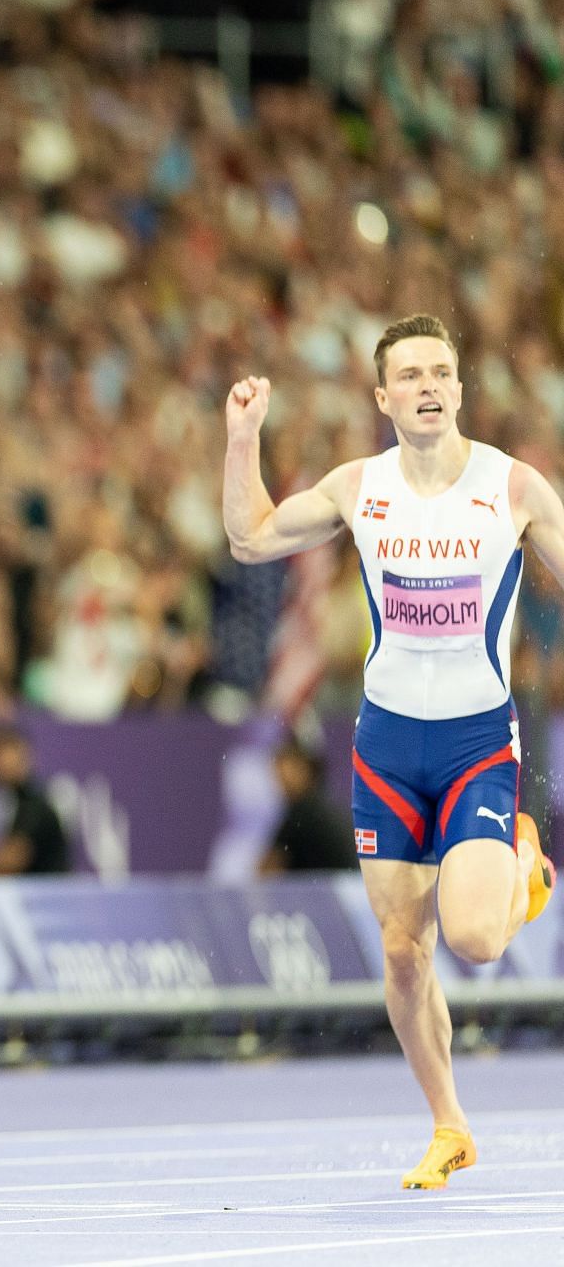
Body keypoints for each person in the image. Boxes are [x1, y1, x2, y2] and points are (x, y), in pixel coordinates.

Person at [222, 313, 557, 1190]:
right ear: (383, 397)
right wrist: (243, 438)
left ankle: (524, 859)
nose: (429, 386)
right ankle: (449, 1123)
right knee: (404, 949)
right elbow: (250, 537)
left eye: (441, 372)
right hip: (384, 748)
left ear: (459, 386)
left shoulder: (512, 487)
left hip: (478, 744)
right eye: (410, 375)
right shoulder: (358, 486)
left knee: (478, 938)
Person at [0, 723, 70, 876]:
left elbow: (8, 864)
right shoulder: (12, 804)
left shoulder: (35, 807)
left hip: (49, 897)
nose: (1, 763)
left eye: (6, 753)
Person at [258, 738, 357, 875]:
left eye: (290, 766)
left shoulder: (304, 812)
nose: (280, 775)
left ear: (308, 769)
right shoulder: (319, 808)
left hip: (330, 894)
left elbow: (266, 873)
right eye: (278, 767)